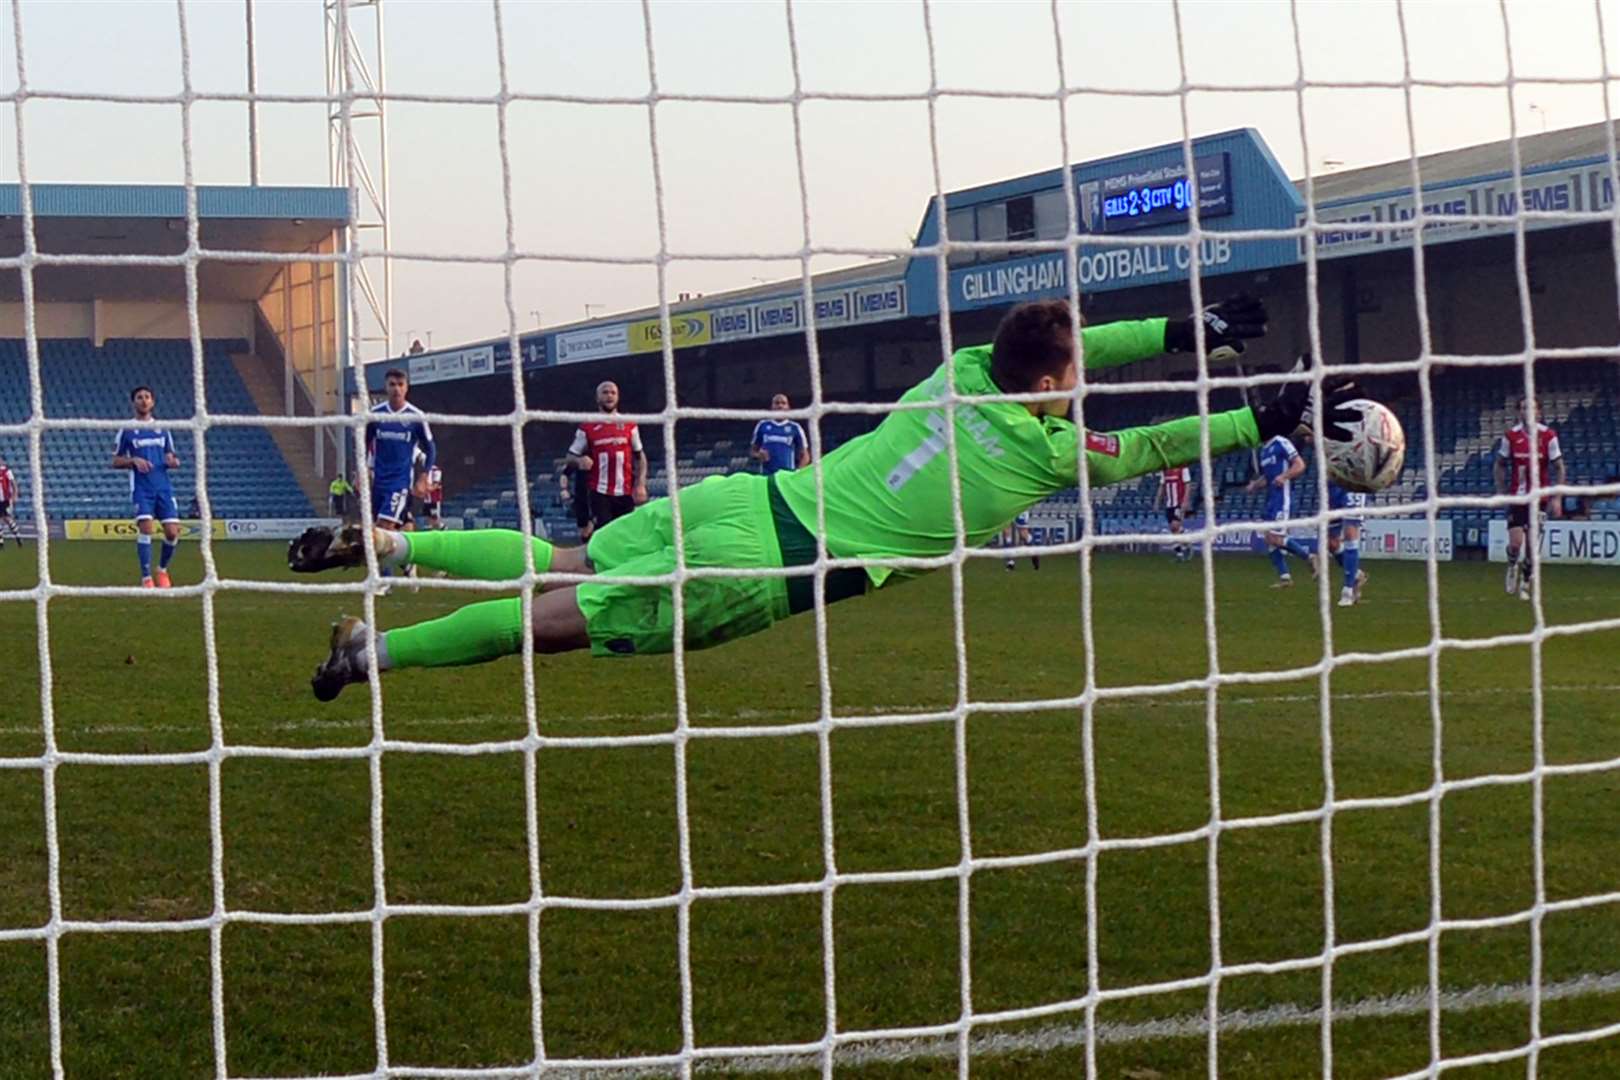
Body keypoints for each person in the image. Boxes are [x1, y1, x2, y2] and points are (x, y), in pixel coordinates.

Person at [289, 295, 1355, 702]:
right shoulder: (1042, 453)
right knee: (549, 626)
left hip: (738, 501)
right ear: (1051, 387)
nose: (1079, 380)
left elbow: (1066, 347)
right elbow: (1142, 447)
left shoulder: (963, 372)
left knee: (560, 563)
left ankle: (385, 546)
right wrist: (1258, 419)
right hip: (765, 570)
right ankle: (371, 656)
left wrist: (1186, 331)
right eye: (1072, 376)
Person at [365, 369, 435, 579]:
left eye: (400, 384)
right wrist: (361, 471)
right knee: (396, 528)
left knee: (382, 529)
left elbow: (431, 448)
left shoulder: (415, 416)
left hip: (400, 483)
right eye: (392, 384)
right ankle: (407, 562)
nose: (396, 388)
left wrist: (424, 476)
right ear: (386, 387)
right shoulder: (375, 415)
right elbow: (363, 443)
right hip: (378, 483)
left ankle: (383, 580)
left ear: (406, 388)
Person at [112, 386, 183, 588]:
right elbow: (115, 461)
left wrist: (173, 461)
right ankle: (146, 577)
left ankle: (162, 570)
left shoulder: (163, 428)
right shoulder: (126, 430)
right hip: (142, 488)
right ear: (133, 402)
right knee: (147, 528)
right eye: (139, 397)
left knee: (172, 532)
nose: (143, 400)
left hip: (163, 487)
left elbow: (171, 455)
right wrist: (133, 460)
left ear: (152, 402)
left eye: (147, 397)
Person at [1494, 395, 1564, 601]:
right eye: (1524, 408)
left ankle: (1525, 584)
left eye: (1532, 408)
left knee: (1533, 548)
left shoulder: (1549, 436)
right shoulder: (1511, 436)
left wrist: (1557, 497)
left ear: (1539, 412)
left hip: (1539, 499)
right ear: (1519, 412)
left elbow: (1559, 467)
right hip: (1518, 497)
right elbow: (1500, 463)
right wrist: (1501, 490)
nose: (1528, 412)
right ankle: (1512, 565)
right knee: (1515, 543)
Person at [568, 380, 647, 532]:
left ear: (618, 397)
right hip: (600, 492)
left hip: (625, 492)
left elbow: (640, 456)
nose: (609, 395)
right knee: (606, 533)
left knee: (627, 534)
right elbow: (570, 456)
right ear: (597, 398)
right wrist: (579, 460)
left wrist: (641, 483)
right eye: (605, 392)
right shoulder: (587, 426)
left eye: (613, 392)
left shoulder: (629, 424)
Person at [1246, 433, 1317, 588]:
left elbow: (1299, 465)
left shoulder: (1281, 442)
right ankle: (1285, 577)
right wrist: (1254, 486)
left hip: (1282, 497)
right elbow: (1267, 478)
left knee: (1274, 539)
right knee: (1268, 539)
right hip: (1271, 499)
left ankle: (1309, 557)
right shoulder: (1264, 450)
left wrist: (1285, 476)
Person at [1326, 481, 1369, 607]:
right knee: (1331, 543)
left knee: (1350, 533)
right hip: (1334, 485)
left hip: (1354, 483)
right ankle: (1356, 575)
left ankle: (1348, 591)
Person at [751, 394, 810, 475]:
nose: (780, 406)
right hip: (766, 475)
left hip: (787, 475)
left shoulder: (795, 427)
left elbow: (805, 456)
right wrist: (759, 455)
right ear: (772, 407)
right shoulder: (762, 425)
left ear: (788, 407)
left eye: (783, 403)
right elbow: (753, 451)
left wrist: (797, 472)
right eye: (777, 403)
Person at [1157, 464, 1192, 561]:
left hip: (1179, 503)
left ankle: (1184, 546)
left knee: (1174, 526)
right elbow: (1162, 486)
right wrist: (1157, 500)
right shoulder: (1164, 470)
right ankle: (1181, 551)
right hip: (1169, 504)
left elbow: (1188, 485)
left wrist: (1185, 501)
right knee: (1174, 530)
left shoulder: (1183, 468)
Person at [0, 454, 21, 549]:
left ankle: (17, 536)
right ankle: (1, 542)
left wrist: (15, 495)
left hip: (5, 499)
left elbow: (14, 484)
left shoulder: (7, 471)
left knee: (7, 519)